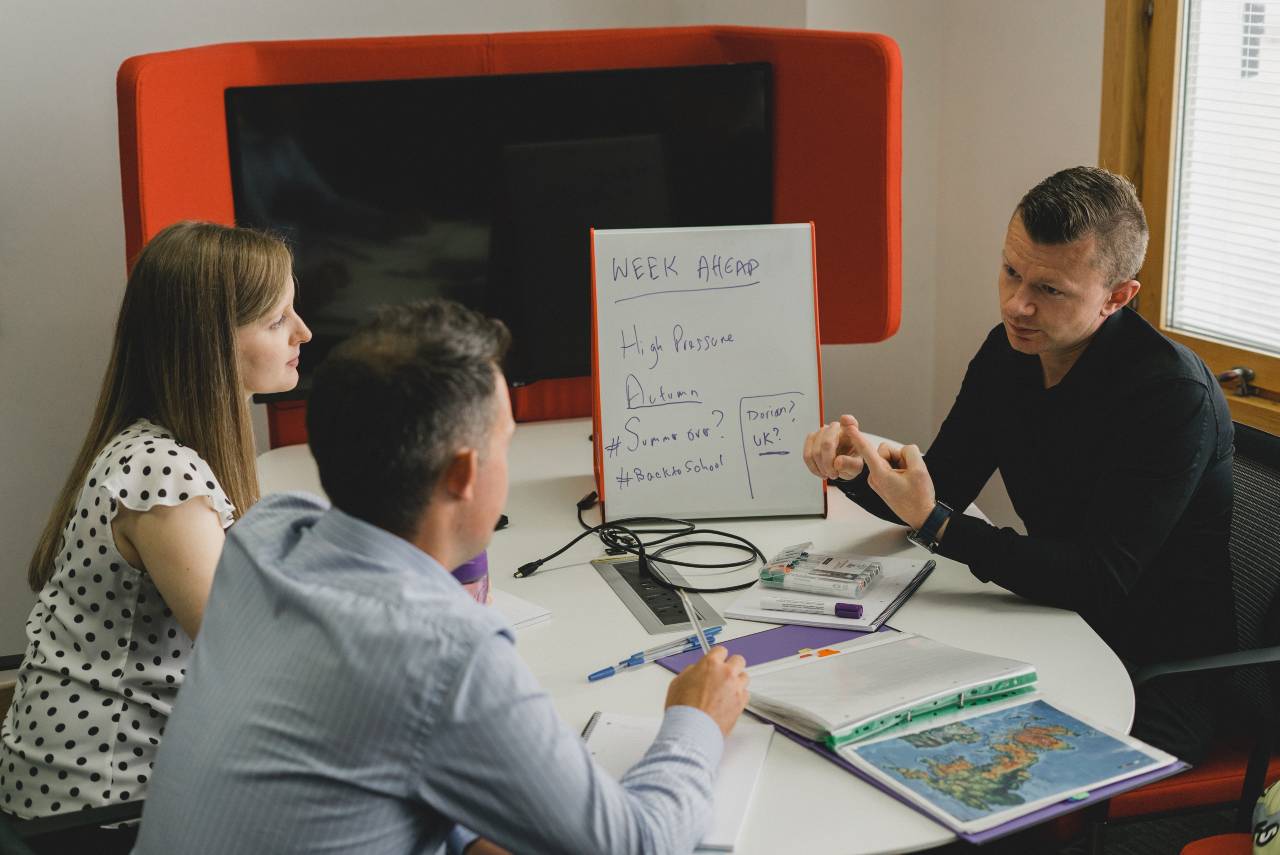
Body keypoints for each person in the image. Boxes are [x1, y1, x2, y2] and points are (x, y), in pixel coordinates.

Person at [133, 299, 750, 855]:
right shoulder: (446, 653)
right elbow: (638, 842)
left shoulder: (265, 536)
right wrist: (696, 720)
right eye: (506, 444)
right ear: (463, 475)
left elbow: (356, 753)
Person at [803, 166, 1233, 763]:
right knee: (860, 715)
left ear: (1117, 296)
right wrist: (860, 469)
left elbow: (1098, 579)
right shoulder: (1011, 352)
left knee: (947, 769)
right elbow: (942, 485)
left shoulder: (1171, 397)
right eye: (1010, 271)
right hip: (1053, 625)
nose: (1017, 304)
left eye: (1050, 290)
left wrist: (939, 524)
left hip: (1154, 672)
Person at [0, 222, 311, 849]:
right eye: (278, 319)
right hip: (101, 809)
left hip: (98, 782)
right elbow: (249, 653)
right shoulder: (163, 472)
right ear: (213, 344)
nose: (302, 332)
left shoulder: (156, 448)